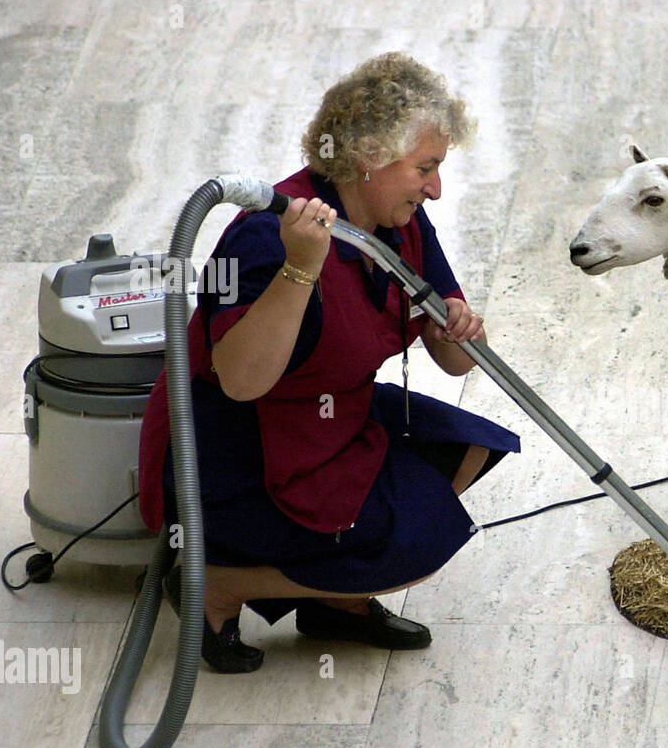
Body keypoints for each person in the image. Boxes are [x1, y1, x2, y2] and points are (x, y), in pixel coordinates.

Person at [137, 52, 520, 672]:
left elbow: (452, 359)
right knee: (415, 541)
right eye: (425, 168)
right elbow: (241, 379)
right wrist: (301, 268)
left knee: (468, 446)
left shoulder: (400, 222)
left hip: (331, 420)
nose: (436, 188)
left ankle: (333, 601)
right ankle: (221, 583)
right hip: (237, 458)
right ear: (370, 157)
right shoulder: (263, 234)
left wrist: (460, 328)